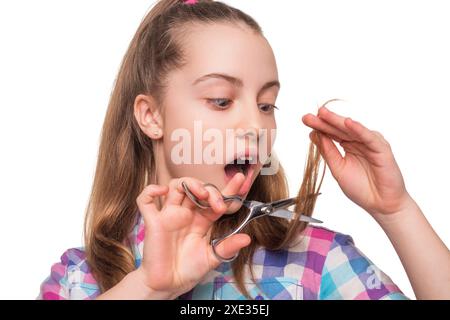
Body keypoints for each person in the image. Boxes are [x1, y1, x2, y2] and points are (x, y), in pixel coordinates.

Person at [38, 0, 450, 300]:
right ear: (151, 116)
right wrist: (147, 287)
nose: (257, 126)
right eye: (221, 100)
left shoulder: (318, 260)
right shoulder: (80, 277)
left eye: (267, 105)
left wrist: (396, 211)